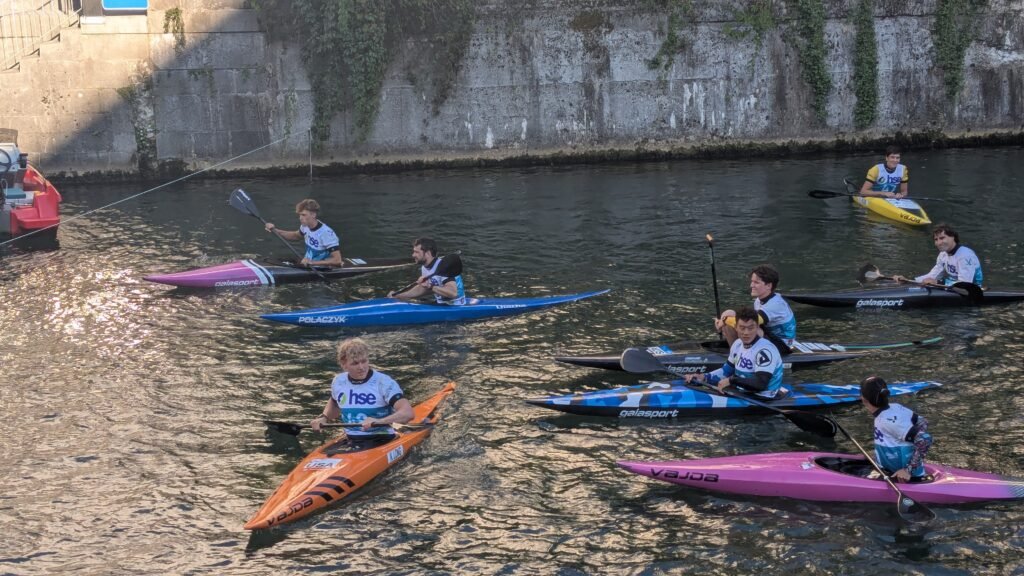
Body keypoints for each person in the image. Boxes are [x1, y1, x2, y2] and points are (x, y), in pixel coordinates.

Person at [310, 338, 414, 440]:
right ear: (344, 365)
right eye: (355, 363)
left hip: (382, 437)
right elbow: (335, 403)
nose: (361, 367)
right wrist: (323, 417)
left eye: (364, 361)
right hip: (351, 439)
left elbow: (408, 413)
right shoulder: (339, 381)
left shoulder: (384, 382)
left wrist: (379, 422)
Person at [687, 306, 784, 400]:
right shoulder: (737, 344)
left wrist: (731, 380)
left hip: (763, 397)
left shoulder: (765, 350)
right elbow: (727, 371)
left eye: (751, 328)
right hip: (744, 391)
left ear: (757, 327)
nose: (746, 333)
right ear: (736, 327)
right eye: (742, 328)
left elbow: (760, 384)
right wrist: (704, 377)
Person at [860, 376, 933, 482]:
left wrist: (908, 470)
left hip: (904, 478)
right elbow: (923, 421)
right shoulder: (895, 407)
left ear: (863, 399)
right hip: (887, 470)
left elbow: (925, 439)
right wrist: (909, 440)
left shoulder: (887, 421)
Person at [715, 264, 796, 354]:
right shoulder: (758, 300)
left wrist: (724, 320)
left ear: (769, 285)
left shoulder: (775, 304)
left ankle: (739, 355)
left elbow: (749, 323)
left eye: (756, 282)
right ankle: (736, 351)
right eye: (752, 281)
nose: (751, 285)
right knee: (729, 313)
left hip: (783, 346)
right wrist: (724, 318)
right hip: (770, 336)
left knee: (749, 327)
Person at [892, 224, 983, 287]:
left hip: (973, 290)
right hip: (952, 287)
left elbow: (966, 284)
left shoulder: (965, 255)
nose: (939, 243)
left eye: (942, 238)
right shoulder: (943, 255)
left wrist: (938, 282)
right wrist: (908, 280)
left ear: (953, 237)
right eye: (936, 239)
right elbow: (933, 276)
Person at [264, 198, 342, 268]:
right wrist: (275, 230)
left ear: (313, 215)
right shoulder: (305, 226)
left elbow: (337, 260)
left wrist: (312, 263)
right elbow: (295, 236)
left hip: (322, 268)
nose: (300, 218)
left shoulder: (326, 233)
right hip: (307, 264)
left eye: (304, 215)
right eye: (300, 215)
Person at [388, 237, 466, 305]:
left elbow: (453, 293)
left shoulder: (444, 266)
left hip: (455, 305)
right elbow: (422, 289)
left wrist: (430, 286)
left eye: (416, 252)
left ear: (427, 253)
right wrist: (399, 296)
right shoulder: (424, 267)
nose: (413, 255)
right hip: (441, 304)